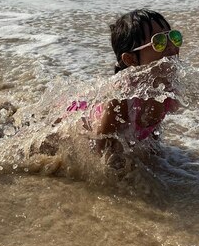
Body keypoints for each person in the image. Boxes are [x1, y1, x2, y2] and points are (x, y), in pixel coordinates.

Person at [68, 9, 182, 155]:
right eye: (159, 42)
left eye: (174, 37)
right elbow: (101, 149)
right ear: (131, 59)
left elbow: (153, 131)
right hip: (77, 119)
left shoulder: (168, 88)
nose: (172, 46)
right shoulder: (121, 99)